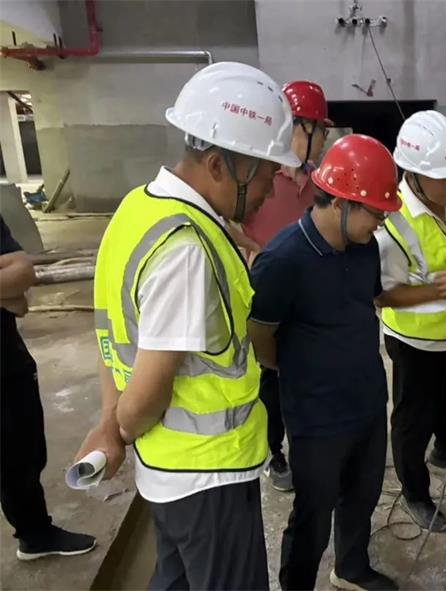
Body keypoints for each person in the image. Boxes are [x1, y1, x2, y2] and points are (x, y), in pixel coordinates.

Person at [74, 62, 300, 590]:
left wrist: (109, 418)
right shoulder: (185, 253)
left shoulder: (139, 209)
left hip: (170, 474)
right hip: (208, 478)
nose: (272, 190)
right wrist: (117, 429)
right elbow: (149, 390)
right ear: (219, 165)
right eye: (266, 174)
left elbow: (112, 339)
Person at [248, 134, 400, 591]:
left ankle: (350, 568)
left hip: (367, 400)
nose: (380, 223)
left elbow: (368, 302)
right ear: (340, 203)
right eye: (375, 213)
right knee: (313, 513)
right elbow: (260, 338)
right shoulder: (283, 260)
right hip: (316, 415)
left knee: (362, 494)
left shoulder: (365, 246)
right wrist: (299, 373)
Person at [375, 110, 446, 533]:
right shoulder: (393, 223)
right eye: (444, 178)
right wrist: (436, 291)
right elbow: (382, 296)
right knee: (412, 420)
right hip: (414, 342)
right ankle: (416, 493)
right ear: (414, 175)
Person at [230, 80, 332, 493]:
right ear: (298, 128)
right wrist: (255, 249)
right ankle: (273, 451)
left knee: (305, 373)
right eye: (320, 130)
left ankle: (308, 441)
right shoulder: (260, 176)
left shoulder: (318, 182)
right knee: (269, 380)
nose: (324, 140)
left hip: (307, 297)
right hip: (265, 297)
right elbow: (221, 220)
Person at [0, 216, 96, 561]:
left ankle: (35, 533)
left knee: (22, 451)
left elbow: (22, 273)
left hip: (7, 360)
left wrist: (12, 292)